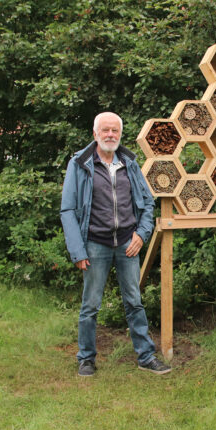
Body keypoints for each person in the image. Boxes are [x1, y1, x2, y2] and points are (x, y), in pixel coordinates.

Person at [60, 112, 171, 376]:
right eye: (105, 130)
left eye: (115, 131)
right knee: (90, 305)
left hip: (127, 244)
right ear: (95, 133)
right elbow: (67, 210)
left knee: (134, 301)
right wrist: (77, 250)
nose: (110, 135)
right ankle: (86, 358)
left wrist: (141, 235)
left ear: (120, 134)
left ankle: (146, 356)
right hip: (94, 244)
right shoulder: (80, 163)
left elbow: (147, 204)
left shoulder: (130, 163)